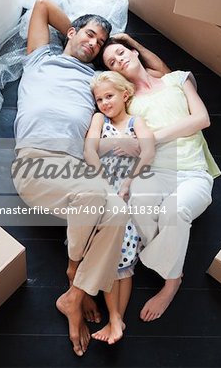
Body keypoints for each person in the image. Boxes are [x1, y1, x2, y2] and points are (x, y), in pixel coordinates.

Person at [11, 0, 170, 356]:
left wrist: (121, 49)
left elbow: (160, 75)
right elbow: (42, 5)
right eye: (90, 35)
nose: (94, 43)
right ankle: (74, 275)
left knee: (115, 209)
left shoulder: (96, 79)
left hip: (73, 171)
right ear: (70, 32)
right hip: (35, 163)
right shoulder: (41, 57)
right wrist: (81, 33)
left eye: (99, 42)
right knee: (99, 197)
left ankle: (75, 292)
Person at [100, 37, 221, 323]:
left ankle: (172, 282)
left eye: (120, 53)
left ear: (133, 51)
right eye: (112, 63)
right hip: (155, 172)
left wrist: (151, 137)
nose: (119, 60)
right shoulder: (128, 105)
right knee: (137, 205)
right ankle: (167, 249)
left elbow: (202, 118)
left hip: (193, 172)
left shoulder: (177, 80)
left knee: (174, 211)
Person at [84, 71, 154, 344]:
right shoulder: (100, 120)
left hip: (130, 191)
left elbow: (148, 151)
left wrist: (127, 184)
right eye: (99, 99)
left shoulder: (137, 122)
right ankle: (117, 320)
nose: (103, 103)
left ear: (125, 95)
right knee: (106, 255)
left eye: (109, 96)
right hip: (104, 190)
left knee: (123, 259)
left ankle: (115, 319)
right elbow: (90, 149)